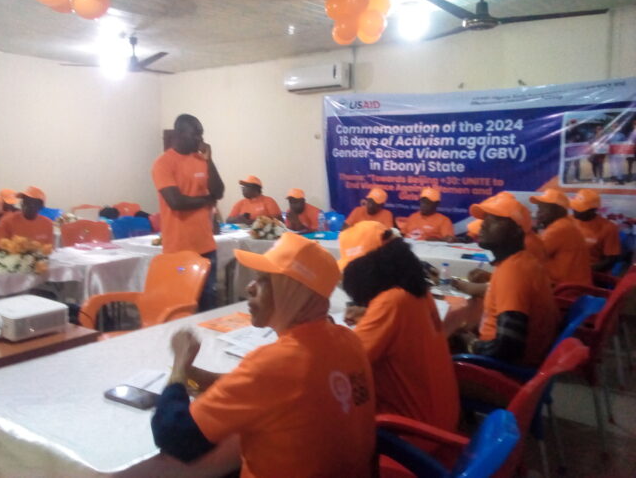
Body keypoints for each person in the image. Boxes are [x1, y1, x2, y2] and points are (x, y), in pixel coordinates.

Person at [151, 233, 376, 477]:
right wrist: (194, 376)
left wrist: (179, 366)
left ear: (292, 291)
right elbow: (276, 391)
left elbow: (176, 438)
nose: (249, 288)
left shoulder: (274, 363)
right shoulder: (348, 340)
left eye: (263, 280)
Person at [338, 221, 459, 431]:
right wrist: (370, 314)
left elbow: (344, 363)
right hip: (441, 416)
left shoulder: (391, 303)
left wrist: (329, 333)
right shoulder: (415, 292)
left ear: (369, 267)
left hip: (414, 434)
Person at [461, 194, 559, 366]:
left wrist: (471, 343)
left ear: (517, 231)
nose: (484, 224)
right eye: (485, 219)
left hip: (502, 371)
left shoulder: (513, 271)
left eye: (495, 220)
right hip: (510, 359)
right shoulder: (518, 262)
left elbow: (508, 348)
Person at [152, 114, 225, 312]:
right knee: (183, 304)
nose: (200, 139)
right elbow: (176, 202)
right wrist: (206, 201)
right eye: (195, 134)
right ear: (179, 134)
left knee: (208, 302)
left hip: (206, 245)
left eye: (201, 134)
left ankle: (208, 342)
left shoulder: (201, 160)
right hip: (178, 248)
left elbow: (219, 191)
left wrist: (210, 160)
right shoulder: (164, 163)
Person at [530, 188, 592, 286]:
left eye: (542, 209)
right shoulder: (565, 223)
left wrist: (528, 231)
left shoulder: (559, 228)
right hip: (569, 284)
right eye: (539, 208)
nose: (538, 213)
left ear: (557, 210)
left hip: (565, 290)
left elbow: (530, 254)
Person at [570, 189, 621, 272]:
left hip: (592, 274)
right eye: (575, 206)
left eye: (580, 209)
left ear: (593, 210)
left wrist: (585, 271)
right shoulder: (568, 221)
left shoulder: (608, 228)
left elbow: (611, 259)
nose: (575, 211)